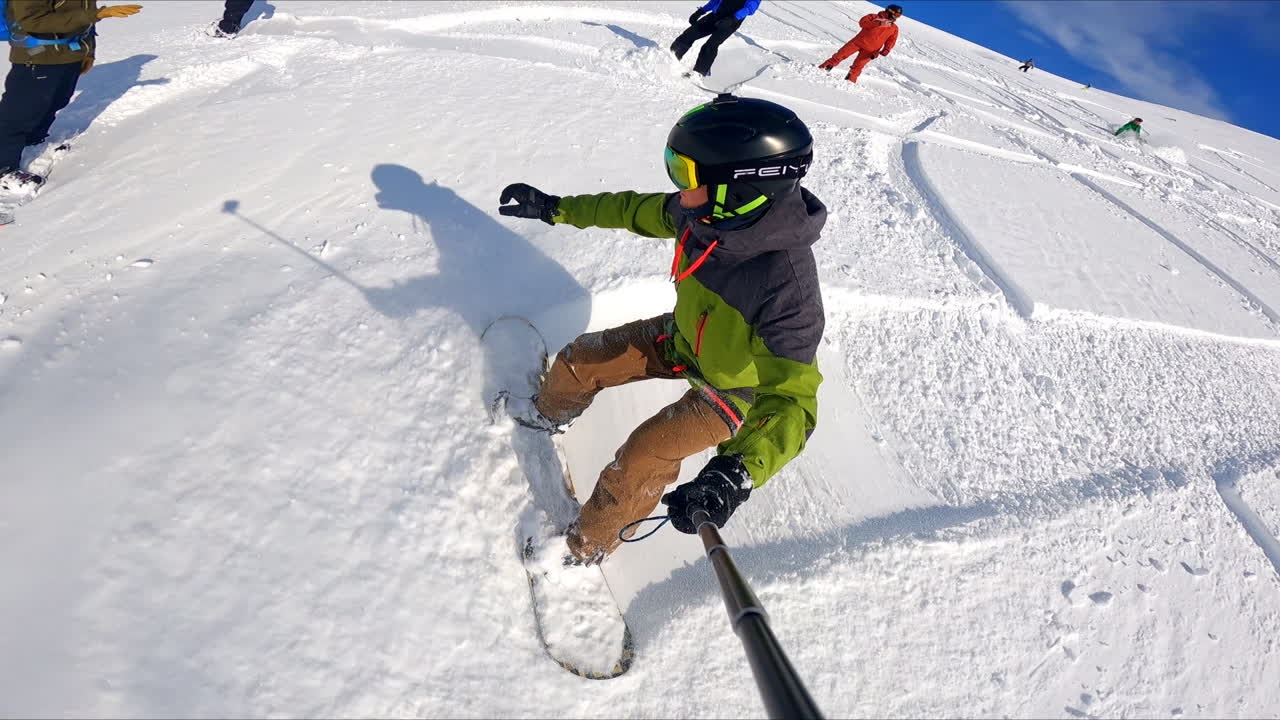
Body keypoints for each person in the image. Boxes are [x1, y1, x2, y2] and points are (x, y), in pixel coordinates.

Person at [496, 94, 826, 565]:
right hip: (684, 339)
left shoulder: (786, 287)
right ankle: (543, 416)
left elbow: (794, 401)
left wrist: (735, 472)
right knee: (579, 360)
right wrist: (556, 208)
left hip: (735, 389)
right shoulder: (704, 215)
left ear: (740, 187)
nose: (677, 188)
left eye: (685, 174)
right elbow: (632, 209)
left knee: (641, 458)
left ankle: (584, 549)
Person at [0, 1, 142, 194]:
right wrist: (97, 14)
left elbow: (84, 20)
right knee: (19, 113)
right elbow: (33, 21)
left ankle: (33, 142)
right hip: (36, 57)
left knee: (55, 102)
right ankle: (4, 168)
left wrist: (88, 52)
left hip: (70, 56)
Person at [669, 0, 761, 78]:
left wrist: (733, 18)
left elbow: (750, 8)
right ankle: (671, 59)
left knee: (710, 45)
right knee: (689, 34)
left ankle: (699, 73)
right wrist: (700, 11)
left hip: (732, 21)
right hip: (716, 15)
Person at [817, 3, 901, 84]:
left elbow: (891, 40)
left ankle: (849, 82)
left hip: (871, 50)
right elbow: (862, 23)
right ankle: (822, 69)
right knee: (839, 55)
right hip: (857, 42)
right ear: (890, 11)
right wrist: (879, 23)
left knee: (858, 66)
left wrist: (886, 49)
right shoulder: (874, 17)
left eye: (898, 16)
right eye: (896, 14)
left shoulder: (894, 28)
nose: (896, 17)